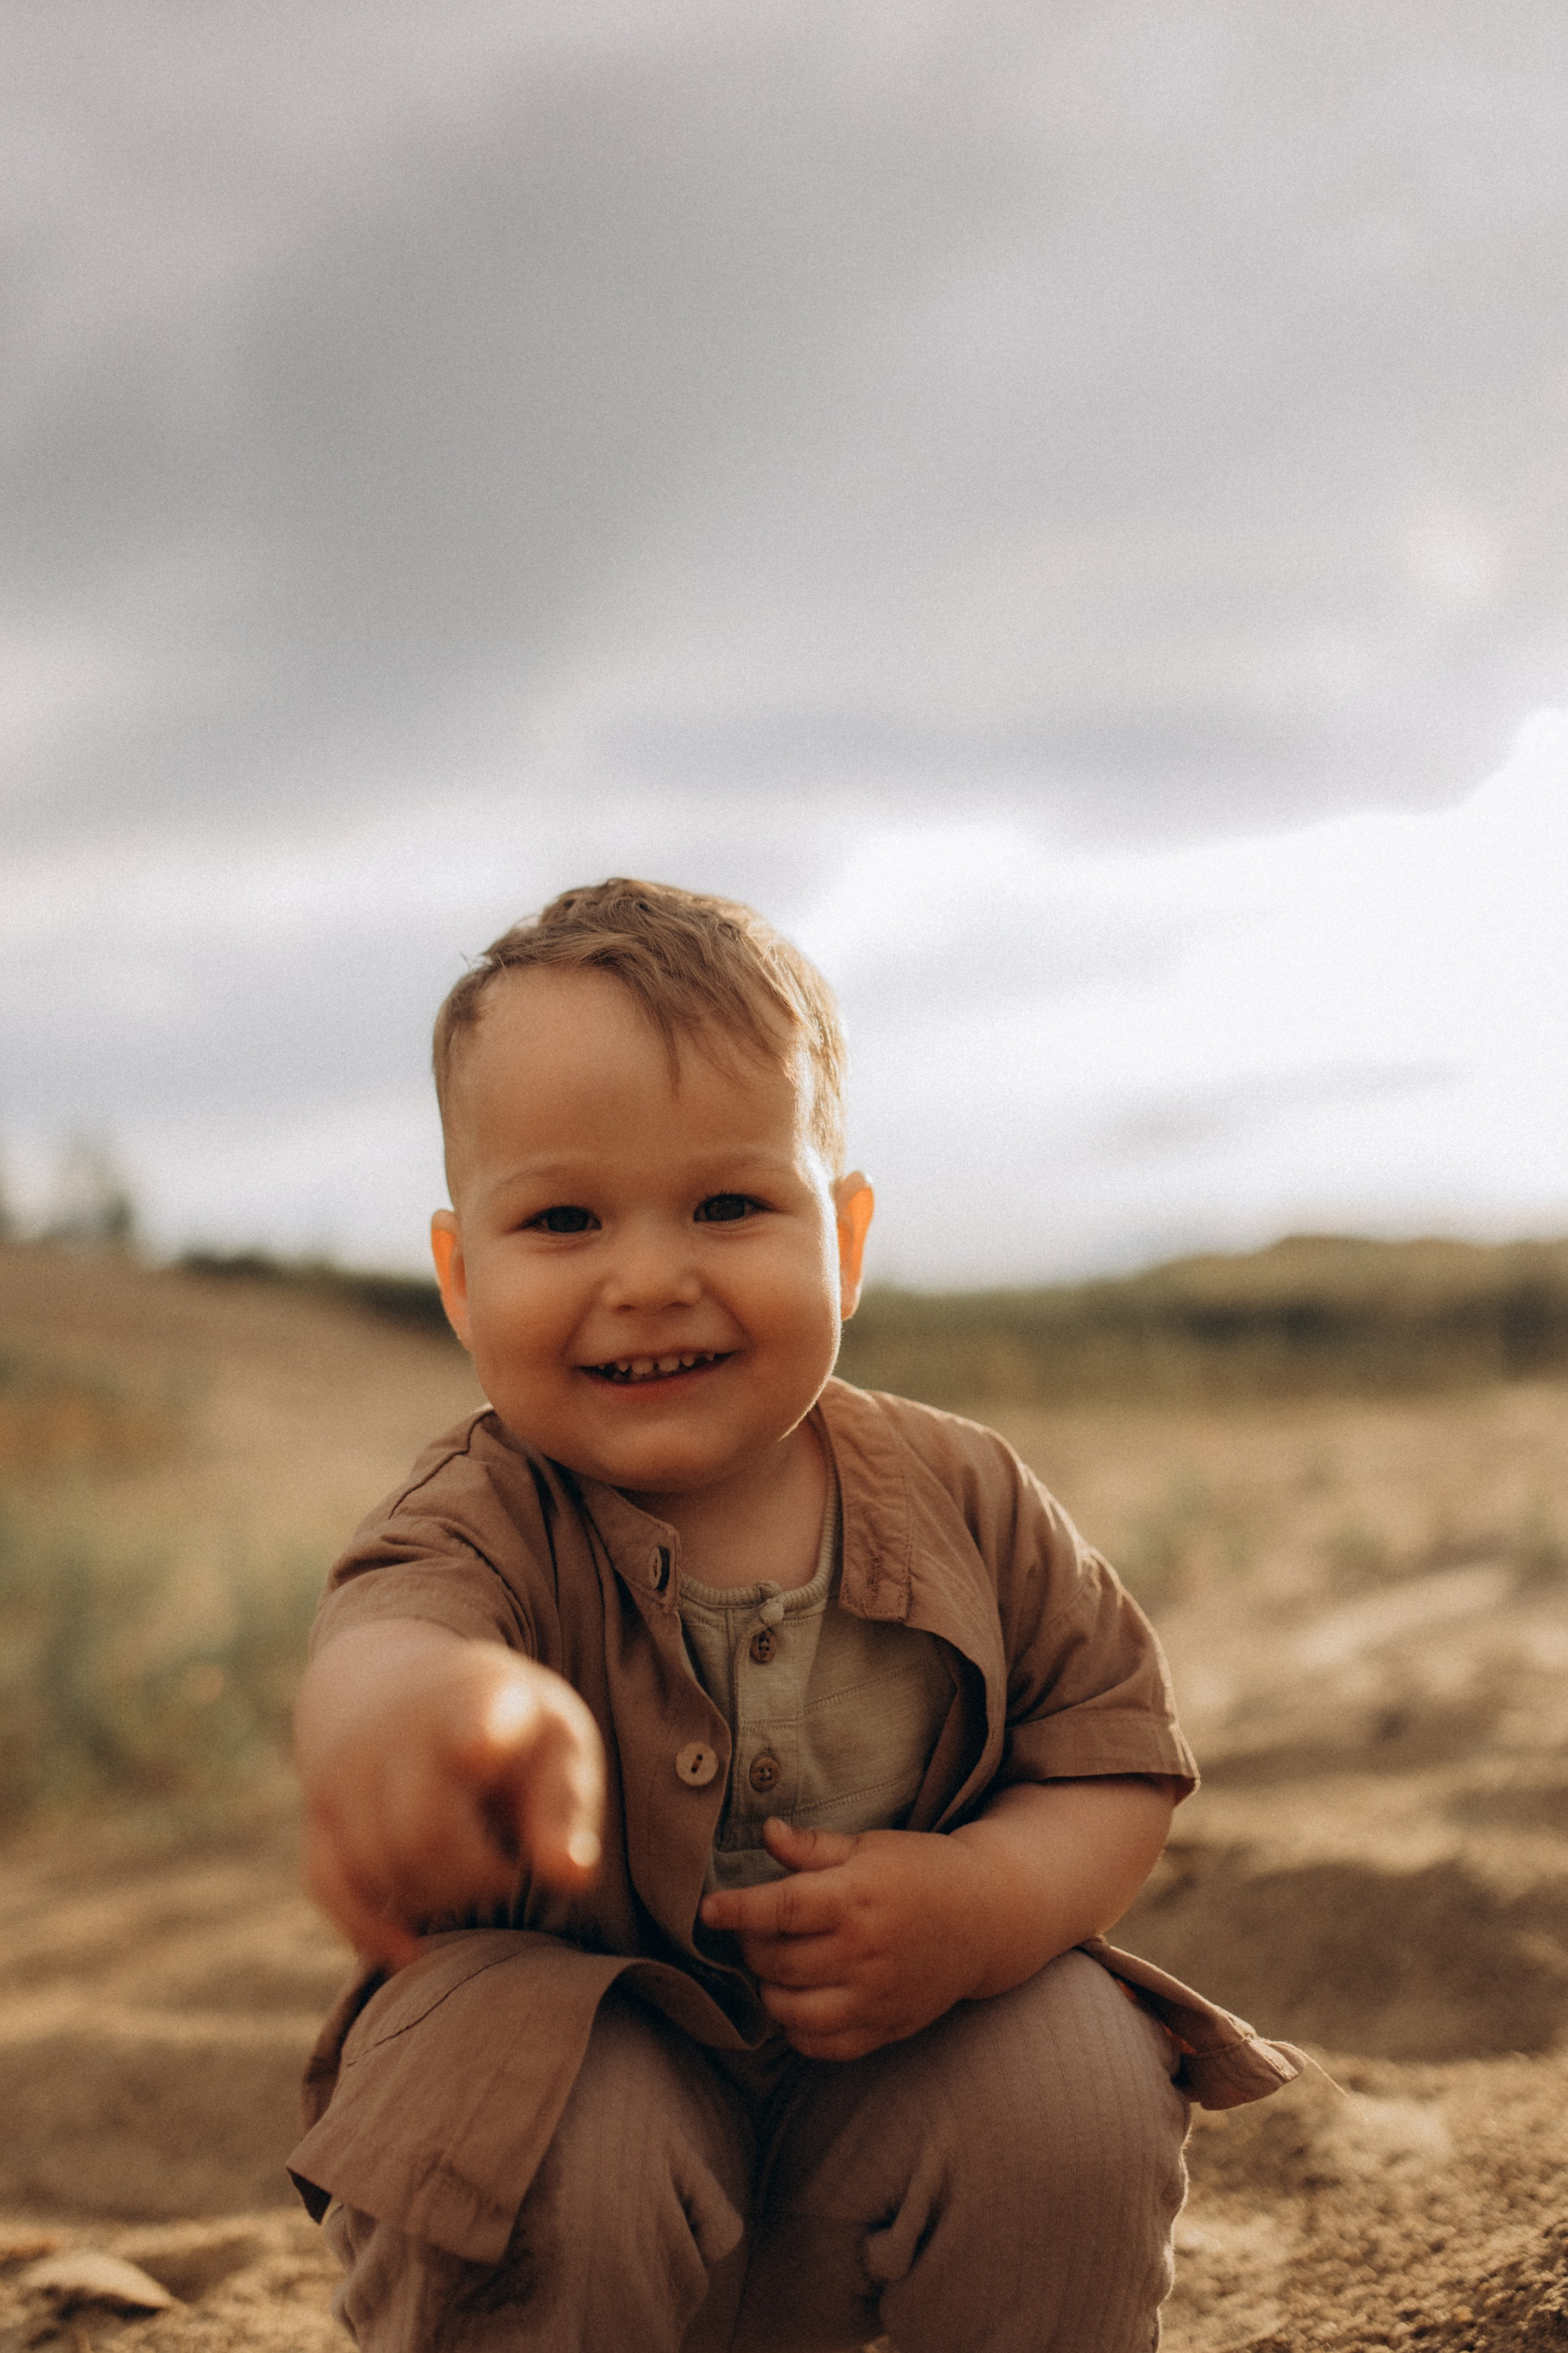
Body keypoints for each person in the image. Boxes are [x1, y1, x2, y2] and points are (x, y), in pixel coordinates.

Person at [289, 878, 1300, 2353]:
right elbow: (386, 1638)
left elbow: (1109, 1759)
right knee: (548, 2094)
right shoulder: (480, 1511)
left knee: (1072, 2051)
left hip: (875, 2127)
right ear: (461, 1276)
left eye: (728, 1204)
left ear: (844, 1236)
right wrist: (436, 1715)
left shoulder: (966, 1494)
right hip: (579, 2212)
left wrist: (983, 1907)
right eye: (563, 1218)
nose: (650, 1278)